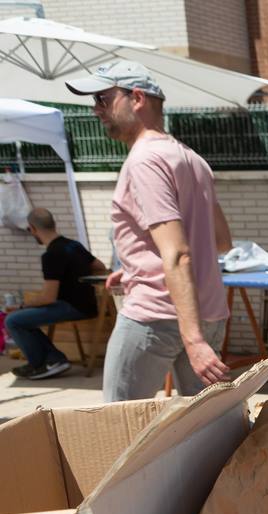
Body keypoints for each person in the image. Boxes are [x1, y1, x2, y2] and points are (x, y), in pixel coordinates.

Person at [65, 61, 233, 402]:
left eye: (102, 99)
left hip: (156, 316)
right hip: (209, 312)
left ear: (137, 98)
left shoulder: (145, 160)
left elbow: (177, 253)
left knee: (117, 424)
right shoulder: (191, 158)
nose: (96, 110)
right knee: (204, 431)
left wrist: (194, 340)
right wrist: (135, 266)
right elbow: (220, 242)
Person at [7, 208, 105, 379]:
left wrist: (20, 305)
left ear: (32, 229)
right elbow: (100, 266)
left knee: (13, 320)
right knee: (23, 320)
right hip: (88, 304)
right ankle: (52, 359)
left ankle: (46, 363)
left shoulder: (51, 255)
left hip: (71, 307)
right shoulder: (74, 245)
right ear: (54, 224)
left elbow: (48, 297)